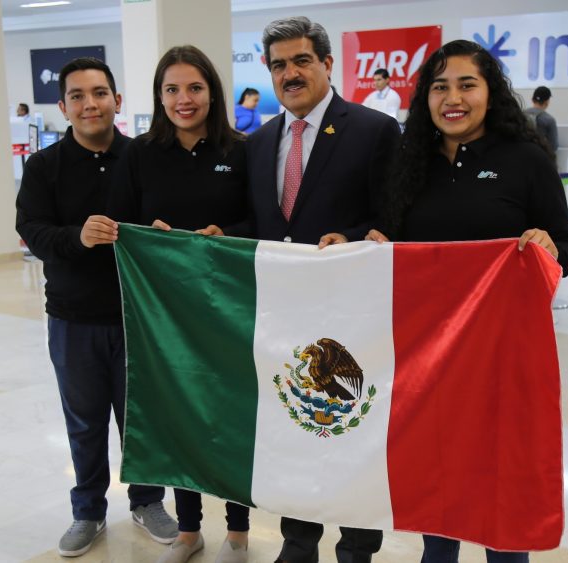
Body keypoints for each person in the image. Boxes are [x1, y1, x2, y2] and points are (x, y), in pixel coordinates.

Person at [366, 39, 568, 563]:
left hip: (502, 358)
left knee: (501, 485)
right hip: (427, 358)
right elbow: (392, 242)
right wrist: (373, 247)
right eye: (440, 87)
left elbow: (567, 244)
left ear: (491, 93)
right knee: (437, 479)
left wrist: (549, 248)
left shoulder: (525, 159)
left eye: (467, 84)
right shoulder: (410, 161)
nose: (452, 98)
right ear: (425, 98)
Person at [199, 16, 401, 563]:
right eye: (279, 65)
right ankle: (298, 539)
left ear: (327, 64)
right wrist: (228, 235)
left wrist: (354, 239)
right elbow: (262, 223)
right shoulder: (259, 140)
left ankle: (357, 545)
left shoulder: (373, 130)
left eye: (301, 61)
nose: (290, 73)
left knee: (352, 428)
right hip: (286, 316)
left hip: (354, 315)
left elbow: (394, 219)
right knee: (297, 423)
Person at [15, 57, 178, 558]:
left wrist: (165, 233)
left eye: (100, 93)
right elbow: (32, 231)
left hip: (139, 317)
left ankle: (148, 501)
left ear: (118, 101)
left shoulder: (146, 157)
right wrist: (77, 236)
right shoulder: (44, 167)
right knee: (84, 422)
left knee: (141, 420)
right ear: (63, 107)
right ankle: (87, 511)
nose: (91, 104)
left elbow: (170, 217)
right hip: (73, 320)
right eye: (79, 96)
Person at [108, 45, 250, 563]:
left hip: (229, 306)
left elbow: (258, 224)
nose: (183, 99)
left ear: (212, 91)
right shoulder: (140, 153)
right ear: (158, 96)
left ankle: (238, 531)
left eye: (194, 88)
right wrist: (149, 234)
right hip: (165, 312)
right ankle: (188, 531)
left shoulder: (240, 149)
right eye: (172, 89)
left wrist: (225, 234)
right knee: (179, 412)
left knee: (232, 412)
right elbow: (121, 224)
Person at [523, 86, 558, 151]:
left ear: (532, 99)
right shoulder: (549, 120)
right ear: (547, 102)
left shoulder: (520, 115)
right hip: (540, 157)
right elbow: (553, 146)